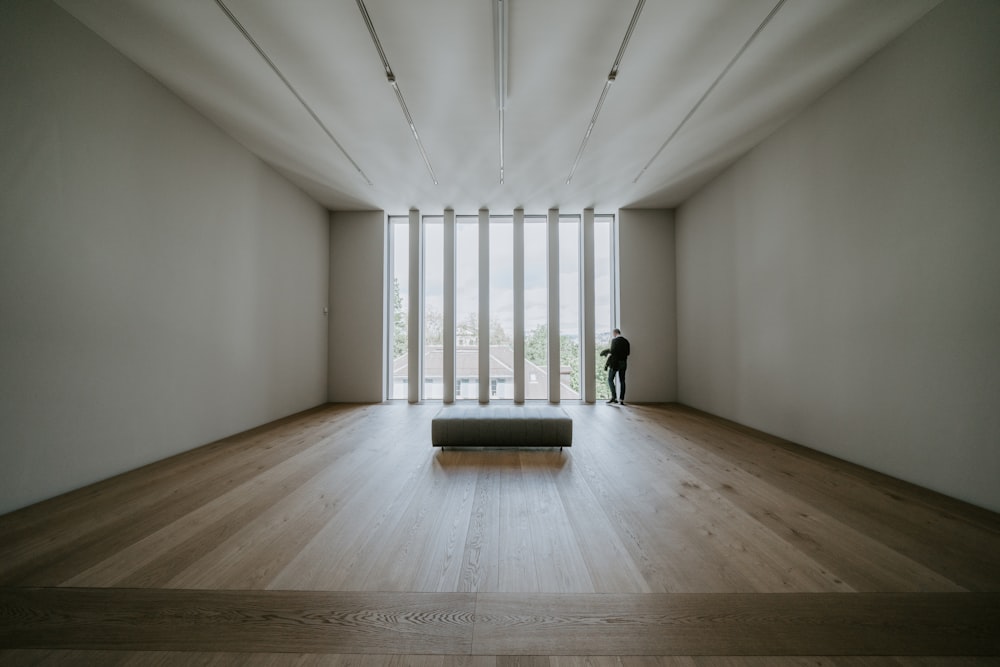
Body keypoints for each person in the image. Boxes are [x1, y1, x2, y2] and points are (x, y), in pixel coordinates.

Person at [599, 328, 630, 404]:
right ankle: (621, 399)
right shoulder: (626, 341)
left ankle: (614, 397)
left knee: (610, 379)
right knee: (622, 380)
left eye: (613, 334)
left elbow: (612, 351)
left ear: (615, 333)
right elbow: (628, 353)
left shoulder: (614, 341)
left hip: (615, 363)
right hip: (623, 362)